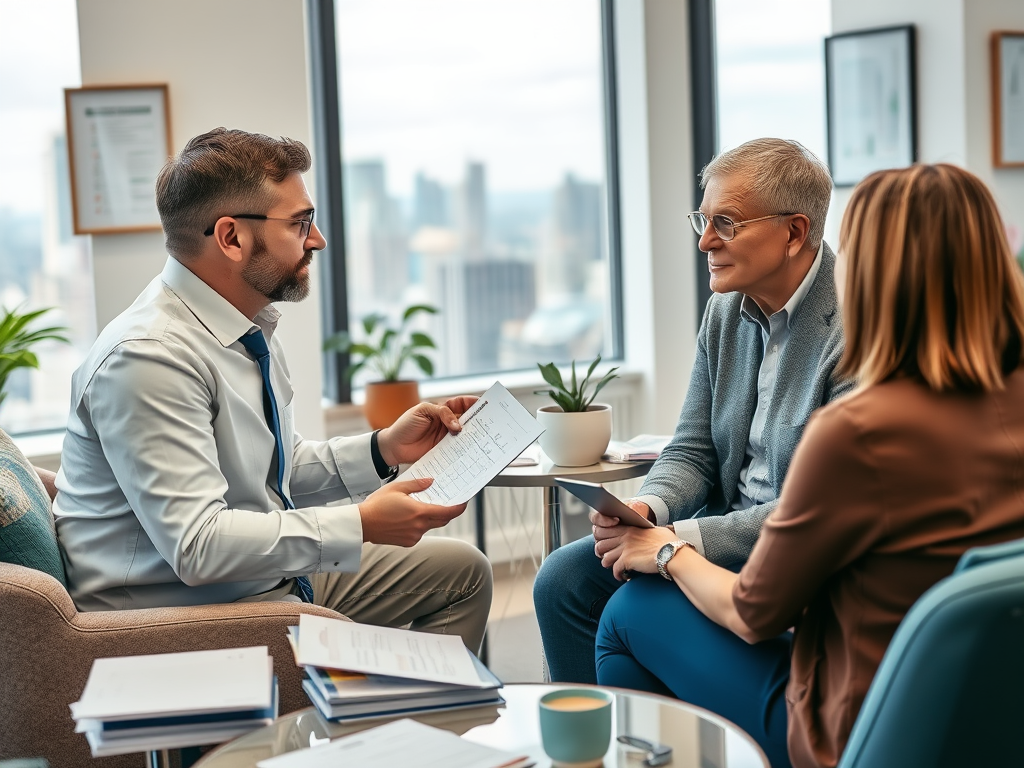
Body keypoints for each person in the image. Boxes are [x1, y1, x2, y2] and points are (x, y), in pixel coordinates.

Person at [593, 163, 1024, 768]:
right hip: (990, 719)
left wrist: (667, 551)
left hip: (860, 735)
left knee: (628, 613)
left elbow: (753, 612)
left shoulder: (859, 432)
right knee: (582, 582)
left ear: (873, 276)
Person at [53, 128, 492, 654]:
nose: (318, 239)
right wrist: (359, 523)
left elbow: (271, 473)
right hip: (176, 612)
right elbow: (198, 547)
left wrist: (384, 450)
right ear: (231, 237)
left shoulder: (243, 323)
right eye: (300, 223)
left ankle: (406, 723)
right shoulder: (148, 357)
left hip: (251, 578)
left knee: (462, 572)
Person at [534, 138, 853, 683]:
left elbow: (816, 514)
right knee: (563, 578)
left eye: (726, 223)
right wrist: (650, 510)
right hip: (715, 534)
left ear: (795, 233)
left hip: (793, 553)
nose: (705, 241)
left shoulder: (858, 326)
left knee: (626, 609)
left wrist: (676, 540)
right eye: (702, 220)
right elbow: (693, 448)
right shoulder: (725, 310)